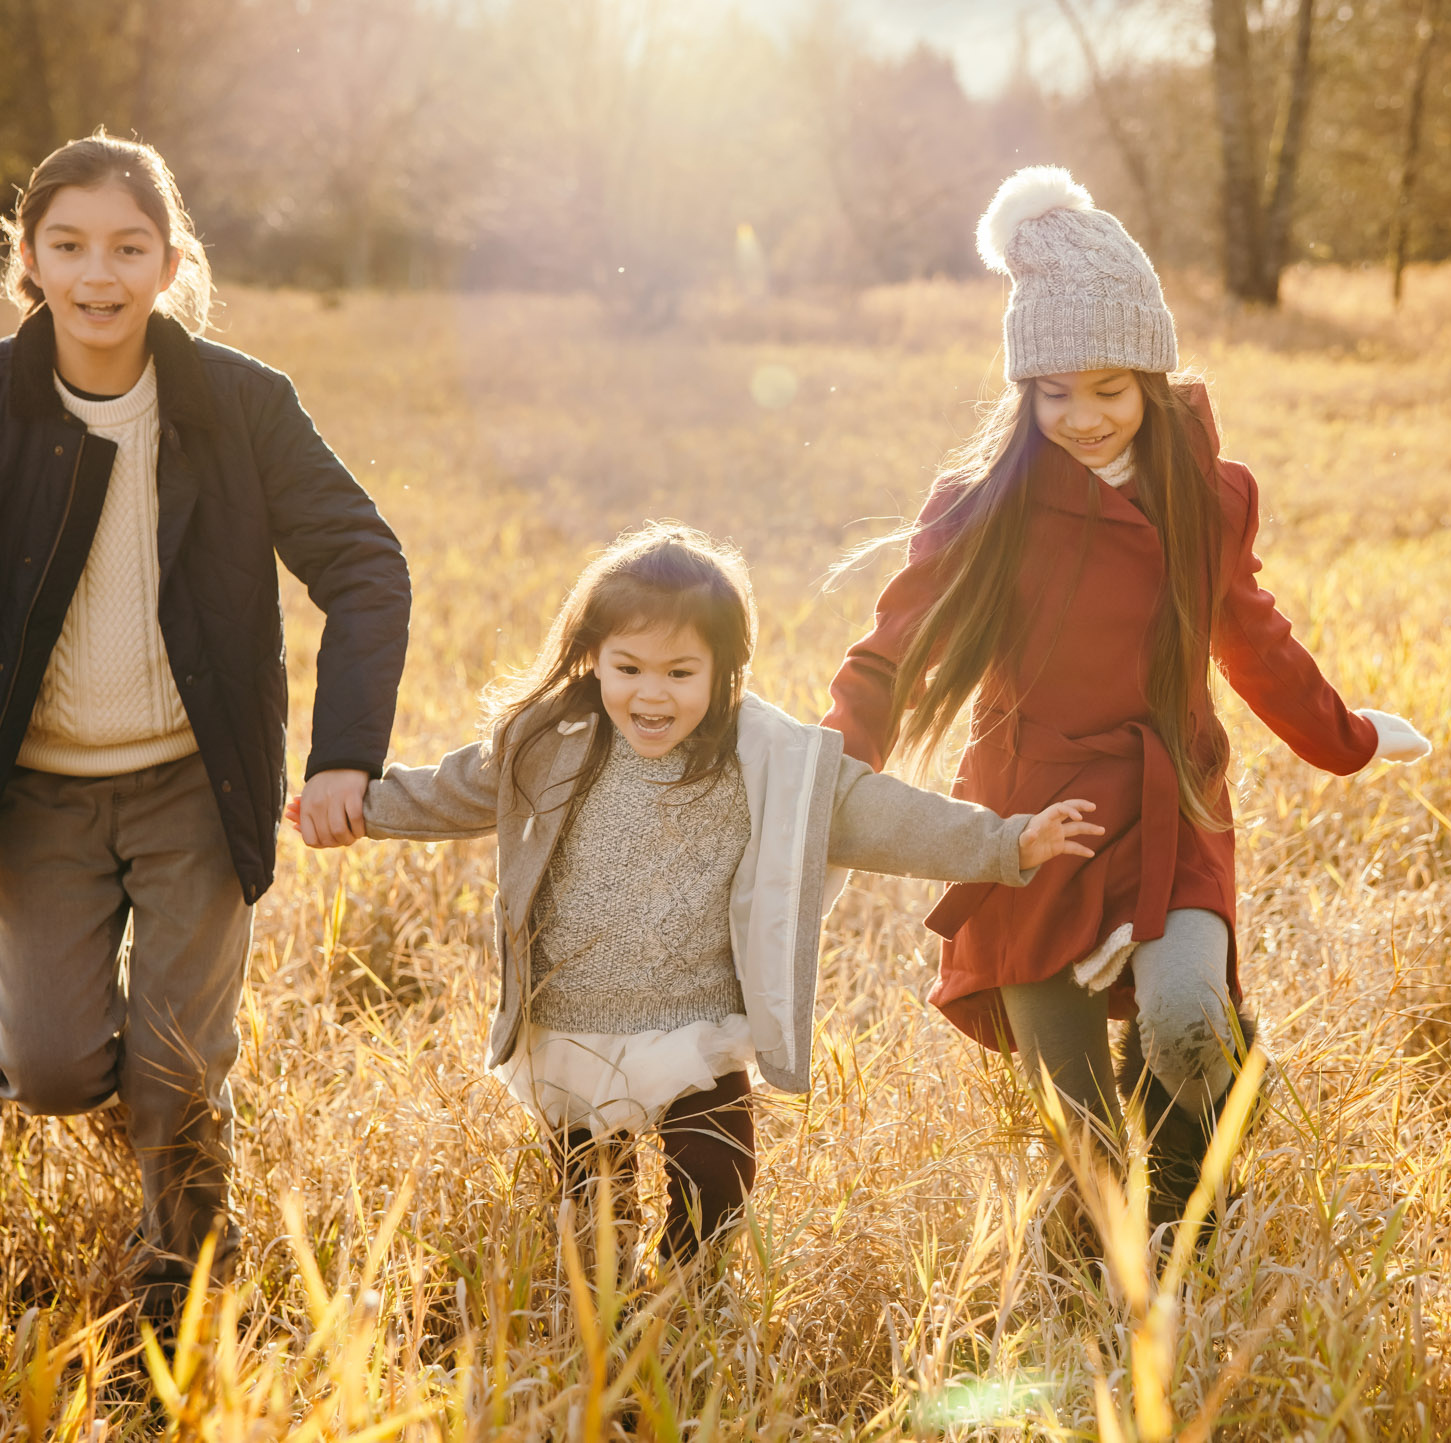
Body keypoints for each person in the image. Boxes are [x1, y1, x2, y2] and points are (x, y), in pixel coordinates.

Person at [0, 132, 411, 1316]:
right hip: (37, 792)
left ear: (170, 263)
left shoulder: (240, 403)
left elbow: (364, 563)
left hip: (194, 783)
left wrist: (343, 755)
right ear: (29, 256)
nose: (98, 274)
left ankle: (182, 1279)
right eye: (68, 245)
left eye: (127, 246)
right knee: (55, 1069)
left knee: (173, 1065)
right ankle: (165, 1123)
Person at [822, 166, 1431, 1229]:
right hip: (1029, 819)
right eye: (1053, 392)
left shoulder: (1210, 493)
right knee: (1086, 1140)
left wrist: (1347, 737)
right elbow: (891, 652)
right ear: (1025, 392)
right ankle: (1123, 1236)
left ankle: (1196, 1222)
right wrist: (826, 768)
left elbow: (1252, 638)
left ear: (1152, 375)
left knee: (1188, 1020)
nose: (1082, 416)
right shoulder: (977, 508)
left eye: (1108, 388)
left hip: (1167, 800)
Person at [301, 523, 1101, 1267]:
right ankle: (605, 1339)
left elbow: (877, 812)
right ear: (592, 657)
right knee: (592, 1216)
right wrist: (359, 808)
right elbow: (454, 791)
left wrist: (1005, 842)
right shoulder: (551, 742)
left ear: (725, 671)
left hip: (695, 1023)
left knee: (718, 1179)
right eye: (629, 669)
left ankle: (683, 1292)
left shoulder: (762, 758)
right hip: (573, 1024)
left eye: (681, 673)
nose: (653, 696)